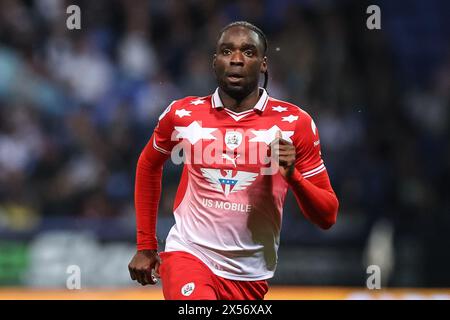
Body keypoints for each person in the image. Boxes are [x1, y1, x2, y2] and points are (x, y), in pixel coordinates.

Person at [128, 21, 339, 300]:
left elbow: (327, 216)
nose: (237, 59)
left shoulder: (295, 124)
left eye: (248, 52)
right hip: (190, 254)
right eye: (227, 51)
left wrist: (294, 177)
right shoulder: (182, 113)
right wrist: (145, 245)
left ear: (263, 64)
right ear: (214, 62)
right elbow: (148, 165)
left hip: (251, 274)